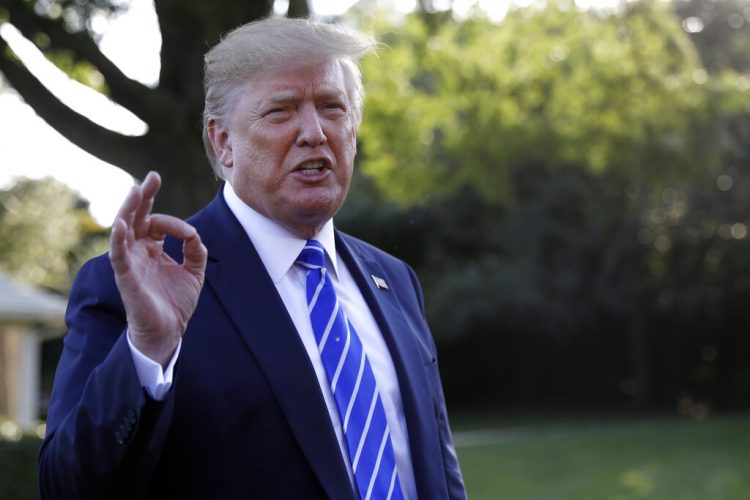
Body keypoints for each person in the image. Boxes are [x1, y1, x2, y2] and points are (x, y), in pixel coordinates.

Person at [38, 17, 466, 500]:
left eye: (332, 107)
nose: (314, 133)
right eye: (281, 111)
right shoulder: (141, 285)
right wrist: (146, 351)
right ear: (223, 143)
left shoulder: (394, 280)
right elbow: (67, 487)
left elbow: (440, 475)